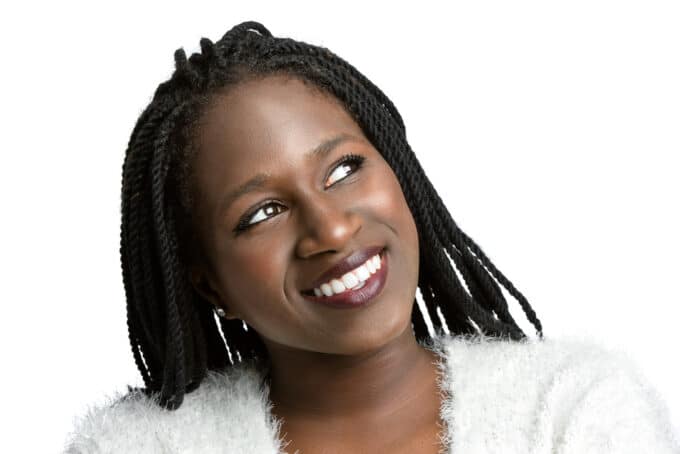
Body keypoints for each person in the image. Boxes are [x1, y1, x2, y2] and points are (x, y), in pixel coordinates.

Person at [64, 21, 679, 454]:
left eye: (344, 170)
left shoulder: (572, 413)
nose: (331, 228)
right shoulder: (141, 448)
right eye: (263, 212)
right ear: (208, 283)